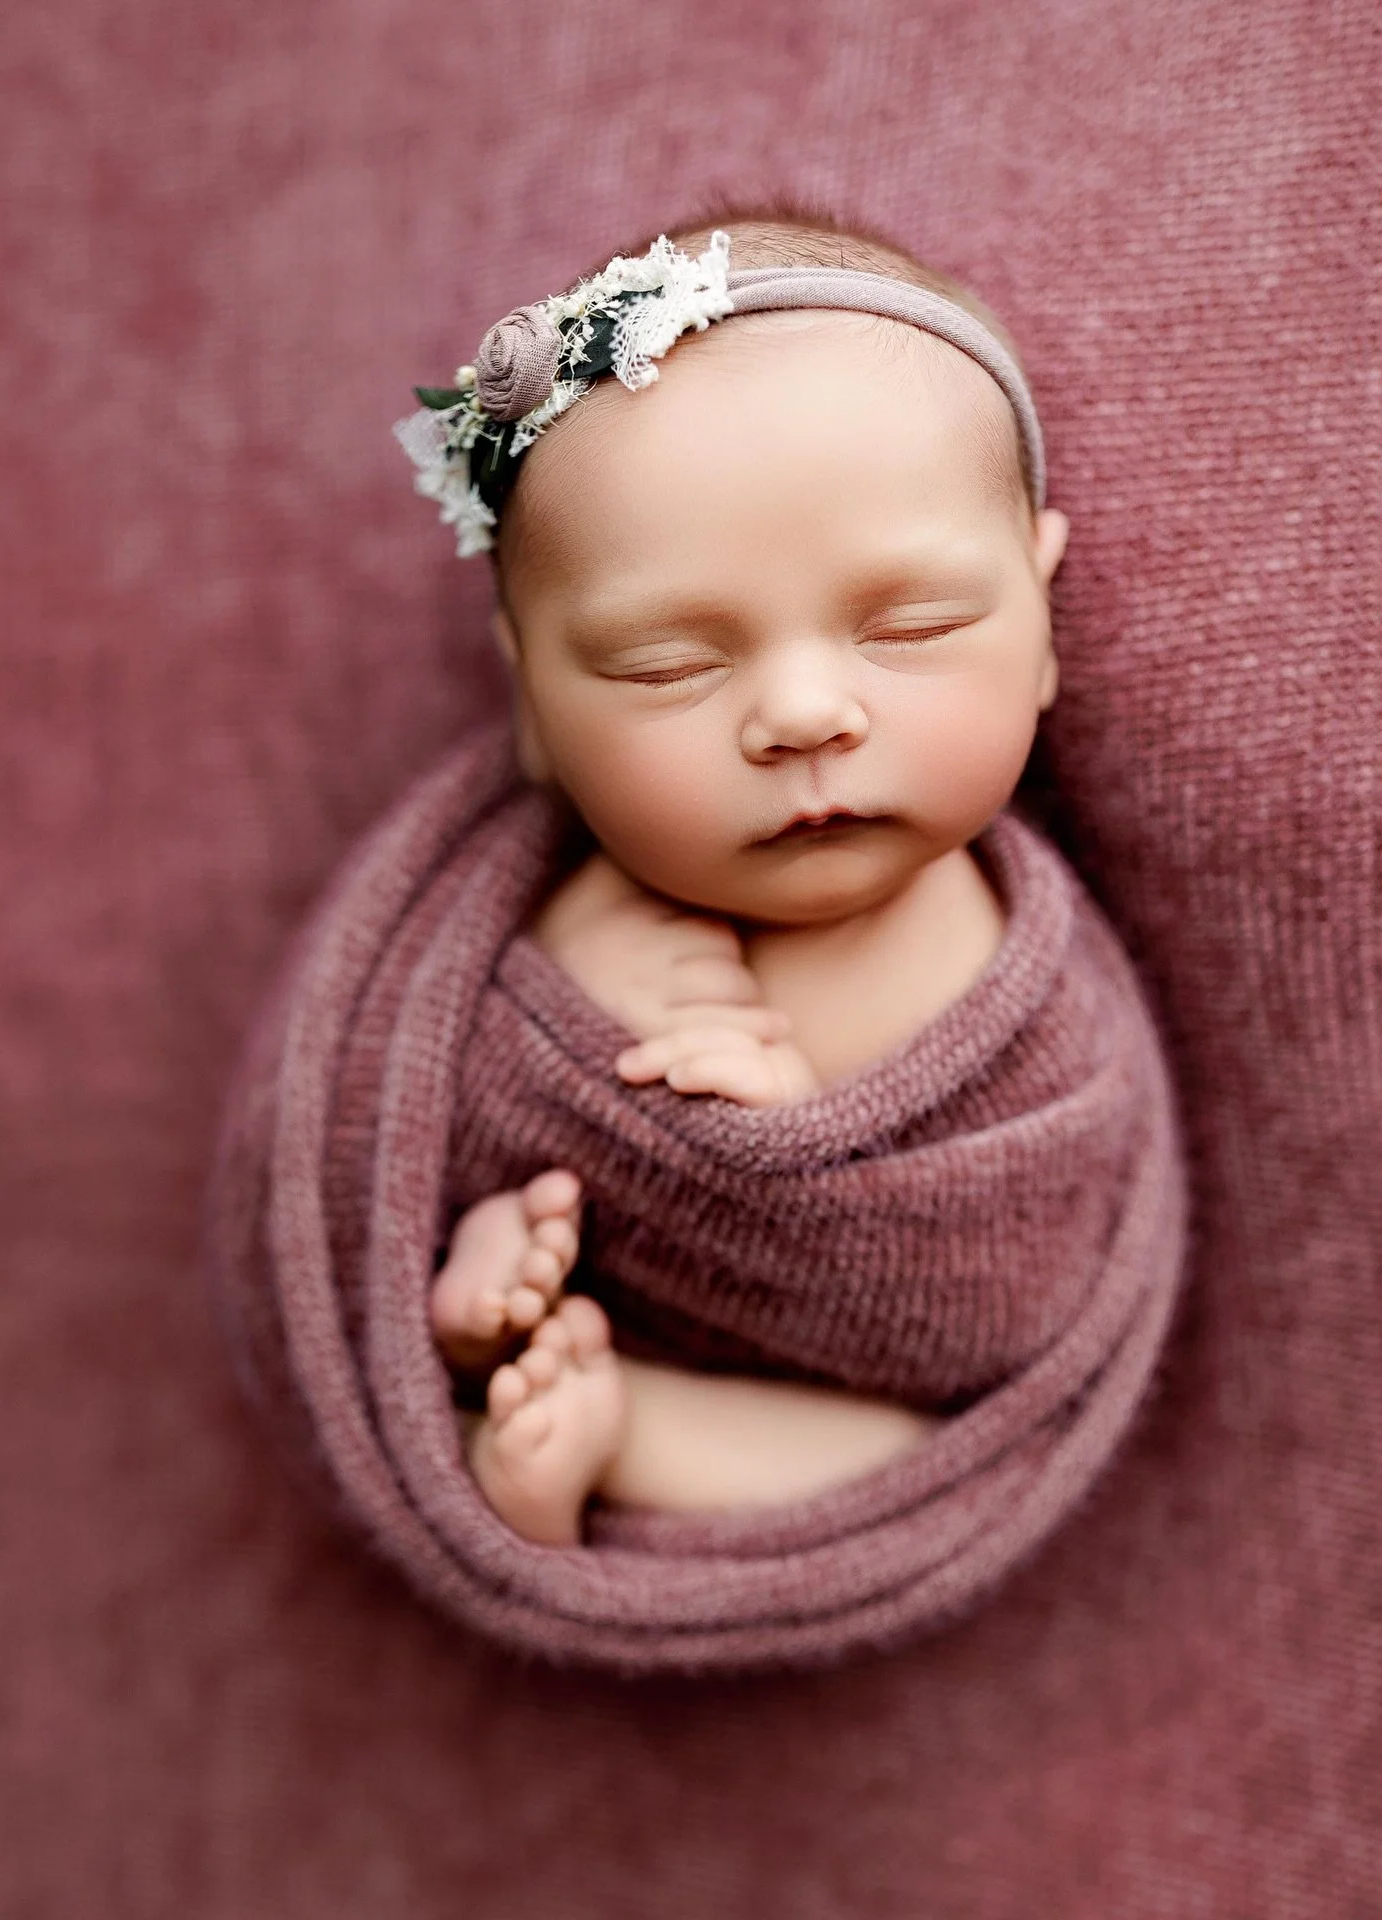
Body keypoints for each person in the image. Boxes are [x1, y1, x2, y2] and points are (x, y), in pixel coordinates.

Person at [399, 213, 1071, 1545]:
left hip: (849, 1390)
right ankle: (484, 1341)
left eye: (915, 626)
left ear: (1042, 619)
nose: (805, 713)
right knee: (488, 1230)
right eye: (668, 666)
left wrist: (783, 1158)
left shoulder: (992, 963)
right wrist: (565, 996)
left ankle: (625, 1431)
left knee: (916, 1460)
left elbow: (1010, 1299)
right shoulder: (532, 908)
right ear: (531, 701)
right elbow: (406, 1098)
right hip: (571, 1277)